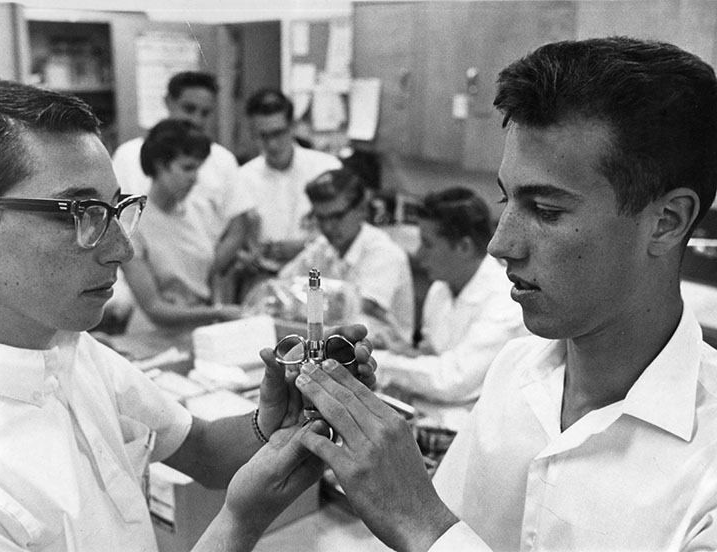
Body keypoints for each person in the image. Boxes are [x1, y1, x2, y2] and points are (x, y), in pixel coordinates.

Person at [289, 36, 717, 551]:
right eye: (505, 199)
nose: (501, 244)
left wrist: (418, 521)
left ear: (666, 222)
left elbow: (428, 530)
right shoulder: (513, 374)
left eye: (547, 211)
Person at [0, 77, 375, 551]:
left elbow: (201, 447)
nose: (123, 248)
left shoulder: (65, 345)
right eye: (79, 212)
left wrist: (280, 419)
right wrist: (241, 521)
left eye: (115, 209)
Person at [376, 187, 529, 409]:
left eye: (427, 243)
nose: (418, 254)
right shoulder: (440, 288)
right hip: (440, 410)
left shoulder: (506, 302)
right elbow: (433, 353)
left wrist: (379, 361)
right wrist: (401, 350)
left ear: (464, 247)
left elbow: (451, 381)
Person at [111, 71, 253, 290]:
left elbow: (237, 228)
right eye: (189, 109)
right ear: (169, 102)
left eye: (205, 113)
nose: (196, 119)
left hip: (199, 275)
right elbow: (117, 224)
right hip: (138, 279)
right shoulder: (128, 156)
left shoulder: (222, 160)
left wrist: (200, 273)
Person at [119, 118, 242, 332]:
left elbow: (211, 274)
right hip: (153, 337)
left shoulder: (198, 210)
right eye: (187, 168)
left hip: (201, 333)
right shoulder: (131, 222)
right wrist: (218, 313)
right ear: (160, 165)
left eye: (198, 168)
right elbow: (154, 307)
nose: (194, 178)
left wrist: (218, 311)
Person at [278, 167, 415, 345]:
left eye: (336, 217)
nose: (328, 227)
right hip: (332, 347)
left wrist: (302, 298)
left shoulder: (385, 253)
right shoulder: (323, 247)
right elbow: (282, 286)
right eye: (321, 218)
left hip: (381, 353)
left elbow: (355, 308)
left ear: (361, 209)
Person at [237, 88, 342, 271]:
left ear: (293, 127)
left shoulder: (326, 169)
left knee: (315, 289)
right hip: (265, 274)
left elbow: (344, 228)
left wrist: (304, 246)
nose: (272, 144)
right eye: (263, 136)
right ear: (252, 133)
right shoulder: (242, 178)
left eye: (278, 133)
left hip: (315, 271)